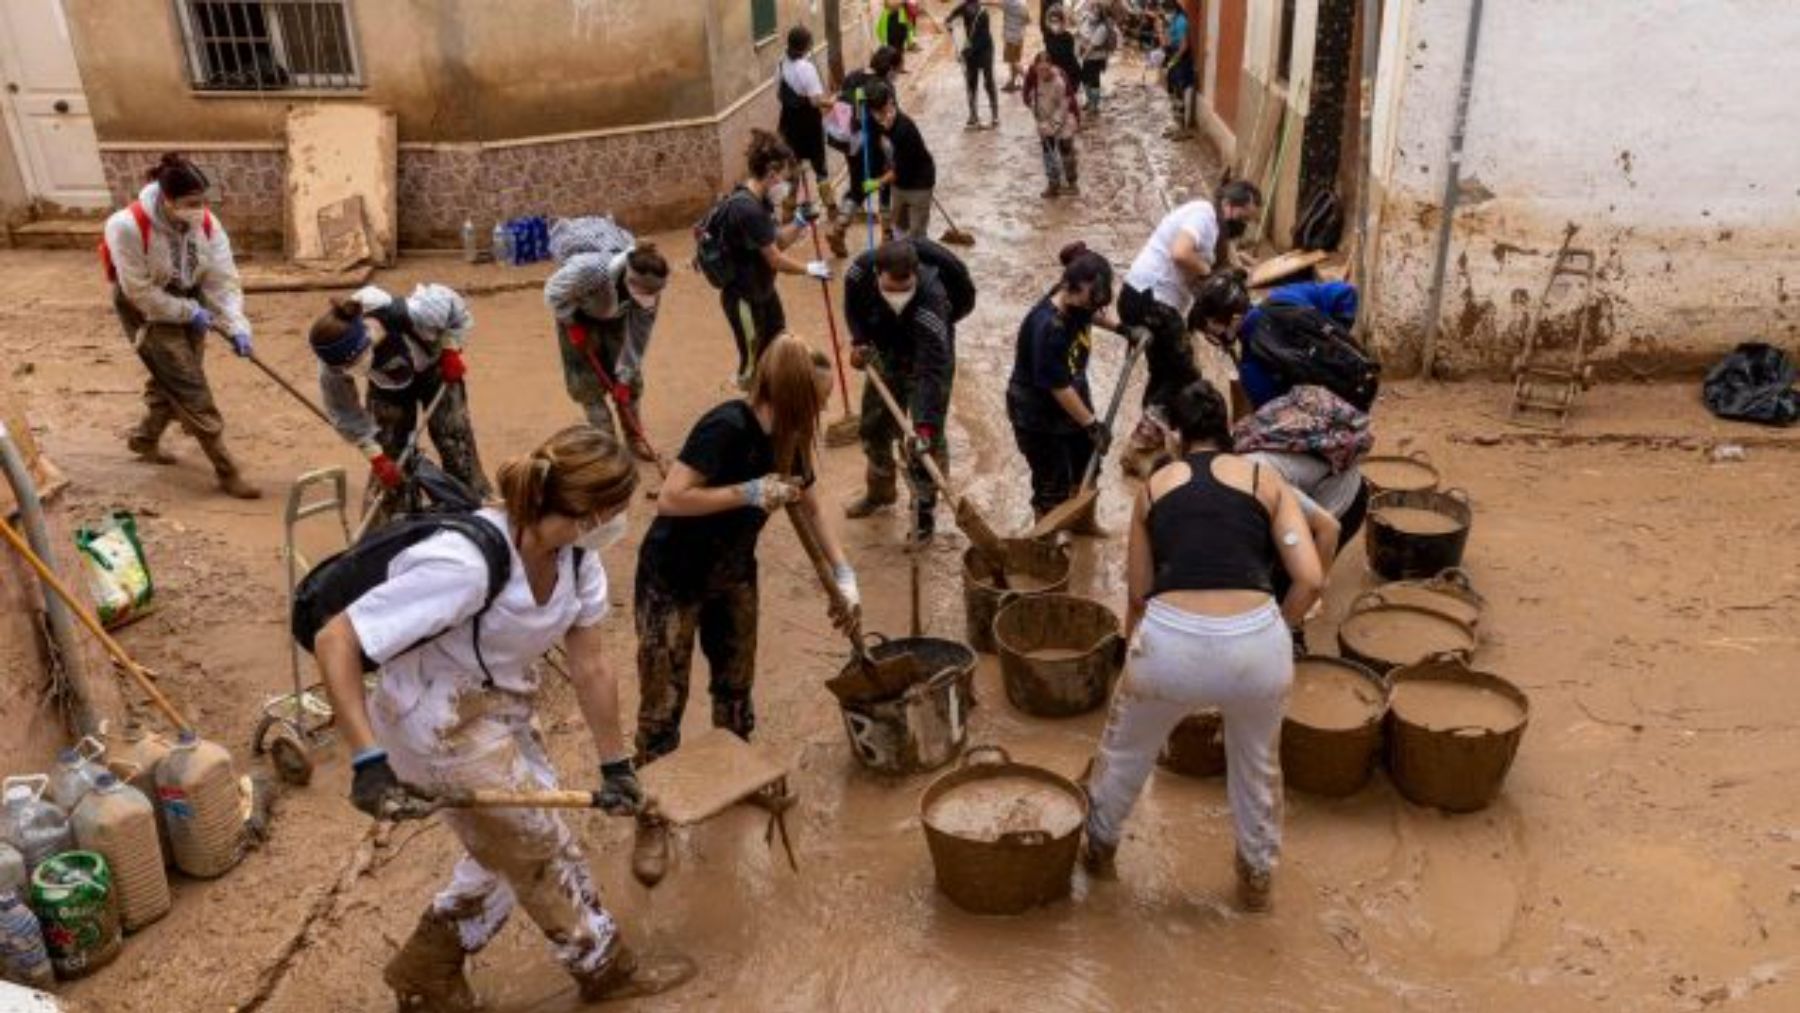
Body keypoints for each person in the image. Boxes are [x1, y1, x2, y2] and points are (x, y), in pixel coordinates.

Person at [313, 425, 689, 1005]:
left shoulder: (577, 561)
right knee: (540, 845)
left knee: (506, 845)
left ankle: (426, 964)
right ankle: (603, 966)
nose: (620, 523)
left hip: (499, 706)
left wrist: (617, 767)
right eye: (615, 510)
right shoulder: (462, 564)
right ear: (584, 510)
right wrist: (367, 760)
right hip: (432, 722)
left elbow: (591, 667)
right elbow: (336, 639)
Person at [1081, 379, 1325, 913]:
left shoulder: (1154, 486)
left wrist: (1130, 660)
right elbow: (1309, 579)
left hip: (1171, 647)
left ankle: (1098, 854)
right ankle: (1255, 883)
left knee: (1125, 754)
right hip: (1258, 649)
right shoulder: (1266, 480)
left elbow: (1140, 591)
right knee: (1257, 767)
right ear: (1230, 432)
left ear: (1176, 436)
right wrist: (1275, 629)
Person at [632, 336, 856, 875]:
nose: (823, 412)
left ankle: (737, 775)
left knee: (735, 685)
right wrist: (748, 493)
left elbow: (809, 500)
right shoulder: (726, 427)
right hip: (674, 578)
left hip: (733, 573)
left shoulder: (791, 434)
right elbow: (673, 497)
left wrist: (844, 575)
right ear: (790, 394)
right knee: (664, 700)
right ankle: (651, 813)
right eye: (817, 402)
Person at [102, 152, 259, 499]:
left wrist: (235, 325)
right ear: (166, 199)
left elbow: (222, 279)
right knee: (190, 387)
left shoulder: (205, 223)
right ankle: (226, 470)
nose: (199, 209)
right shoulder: (125, 226)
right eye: (191, 202)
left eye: (202, 201)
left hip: (190, 296)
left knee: (172, 375)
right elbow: (139, 292)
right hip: (146, 310)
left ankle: (144, 440)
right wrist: (189, 313)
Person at [307, 284, 493, 506]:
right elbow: (343, 410)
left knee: (454, 437)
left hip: (438, 369)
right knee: (391, 451)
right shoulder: (332, 362)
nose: (350, 370)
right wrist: (376, 456)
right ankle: (397, 513)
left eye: (353, 364)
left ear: (364, 343)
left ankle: (474, 503)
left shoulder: (416, 312)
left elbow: (455, 310)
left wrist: (451, 348)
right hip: (387, 386)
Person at [842, 239, 960, 537]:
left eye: (905, 288)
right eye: (891, 289)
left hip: (928, 359)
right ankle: (880, 492)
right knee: (874, 425)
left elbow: (931, 374)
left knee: (924, 445)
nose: (899, 296)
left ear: (915, 274)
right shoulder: (858, 274)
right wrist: (860, 340)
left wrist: (924, 427)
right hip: (885, 350)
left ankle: (923, 511)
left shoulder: (931, 303)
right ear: (877, 273)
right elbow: (853, 308)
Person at [1121, 181, 1264, 421]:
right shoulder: (1204, 214)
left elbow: (1210, 275)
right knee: (1185, 375)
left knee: (1163, 372)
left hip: (1144, 297)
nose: (1244, 225)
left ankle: (1154, 430)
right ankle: (1152, 430)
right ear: (1228, 205)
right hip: (1152, 298)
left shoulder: (1216, 231)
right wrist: (1209, 274)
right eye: (1244, 217)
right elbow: (1181, 253)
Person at [1006, 243, 1118, 530]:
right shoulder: (1049, 328)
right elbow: (1058, 387)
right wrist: (1092, 425)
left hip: (1072, 397)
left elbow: (1089, 314)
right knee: (1051, 484)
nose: (1092, 309)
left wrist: (1122, 329)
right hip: (1037, 412)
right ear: (1070, 288)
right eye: (1088, 301)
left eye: (1097, 304)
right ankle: (1045, 548)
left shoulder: (1075, 300)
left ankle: (1082, 524)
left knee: (1088, 467)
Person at [713, 131, 833, 387]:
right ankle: (747, 408)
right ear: (771, 172)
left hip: (764, 291)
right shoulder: (746, 209)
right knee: (753, 362)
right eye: (786, 177)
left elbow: (775, 241)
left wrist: (800, 222)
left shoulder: (761, 201)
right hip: (744, 298)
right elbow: (775, 259)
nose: (787, 185)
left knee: (779, 345)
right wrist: (809, 269)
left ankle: (774, 399)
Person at [544, 238, 670, 461]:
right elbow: (553, 293)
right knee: (587, 385)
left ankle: (635, 439)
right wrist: (571, 324)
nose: (648, 300)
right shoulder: (590, 270)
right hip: (577, 314)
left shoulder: (650, 289)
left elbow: (638, 337)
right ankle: (607, 448)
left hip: (616, 317)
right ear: (630, 281)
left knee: (630, 384)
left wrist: (624, 377)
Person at [1236, 280, 1360, 408]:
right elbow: (1345, 292)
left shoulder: (1250, 359)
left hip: (1323, 407)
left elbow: (1268, 408)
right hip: (1355, 378)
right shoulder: (1287, 298)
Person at [826, 47, 900, 253]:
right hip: (871, 144)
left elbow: (840, 106)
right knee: (885, 180)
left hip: (850, 143)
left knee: (858, 186)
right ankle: (887, 235)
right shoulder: (884, 86)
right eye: (897, 68)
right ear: (891, 67)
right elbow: (891, 120)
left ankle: (839, 227)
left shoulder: (853, 76)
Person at [775, 25, 843, 236]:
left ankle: (787, 216)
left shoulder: (780, 64)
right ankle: (832, 209)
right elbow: (815, 101)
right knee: (820, 169)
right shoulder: (807, 68)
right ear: (807, 46)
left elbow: (779, 95)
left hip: (788, 123)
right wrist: (833, 103)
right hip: (809, 125)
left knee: (792, 169)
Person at [867, 85, 938, 240]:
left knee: (916, 233)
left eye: (884, 111)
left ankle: (918, 259)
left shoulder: (905, 129)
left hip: (919, 184)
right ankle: (900, 255)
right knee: (899, 226)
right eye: (876, 112)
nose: (881, 117)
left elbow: (900, 170)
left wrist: (878, 182)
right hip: (899, 185)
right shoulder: (874, 122)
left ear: (891, 103)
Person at [1024, 52, 1081, 198]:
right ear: (1035, 67)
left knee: (1065, 148)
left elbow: (1064, 105)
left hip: (1065, 115)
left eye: (1045, 69)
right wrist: (1032, 106)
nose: (1042, 72)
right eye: (1039, 69)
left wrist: (1052, 126)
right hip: (1044, 115)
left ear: (1051, 66)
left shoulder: (1060, 81)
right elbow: (1027, 95)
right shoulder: (1032, 74)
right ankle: (1053, 184)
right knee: (1047, 151)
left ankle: (1072, 183)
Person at [947, 0, 1000, 129]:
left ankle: (995, 115)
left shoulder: (983, 13)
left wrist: (966, 51)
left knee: (988, 81)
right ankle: (973, 114)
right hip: (970, 51)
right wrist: (952, 28)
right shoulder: (963, 7)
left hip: (984, 50)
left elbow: (983, 37)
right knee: (971, 82)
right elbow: (949, 18)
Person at [1076, 3, 1118, 112]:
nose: (1093, 12)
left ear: (1100, 13)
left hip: (1096, 58)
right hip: (1087, 56)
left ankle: (1094, 105)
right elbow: (1079, 34)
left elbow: (1092, 45)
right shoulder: (1086, 21)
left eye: (1096, 10)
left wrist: (1082, 58)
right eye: (1092, 9)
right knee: (1085, 79)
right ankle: (1089, 101)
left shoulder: (1102, 27)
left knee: (1093, 80)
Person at [1043, 5, 1083, 97]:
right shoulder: (1048, 36)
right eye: (1052, 21)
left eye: (1057, 21)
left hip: (1070, 74)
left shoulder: (1068, 37)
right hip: (1055, 75)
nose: (1054, 24)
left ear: (1062, 22)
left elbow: (1067, 57)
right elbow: (1049, 55)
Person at [1001, 0, 1031, 91]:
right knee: (1015, 60)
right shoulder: (1023, 2)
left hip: (1010, 37)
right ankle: (1012, 83)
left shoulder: (1007, 3)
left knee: (1013, 61)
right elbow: (1028, 20)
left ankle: (1028, 79)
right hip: (1020, 36)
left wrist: (979, 2)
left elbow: (993, 4)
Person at [877, 0, 913, 72]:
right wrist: (901, 3)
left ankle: (900, 66)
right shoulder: (888, 6)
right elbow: (888, 4)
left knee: (901, 47)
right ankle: (892, 66)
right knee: (892, 47)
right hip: (891, 21)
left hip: (901, 22)